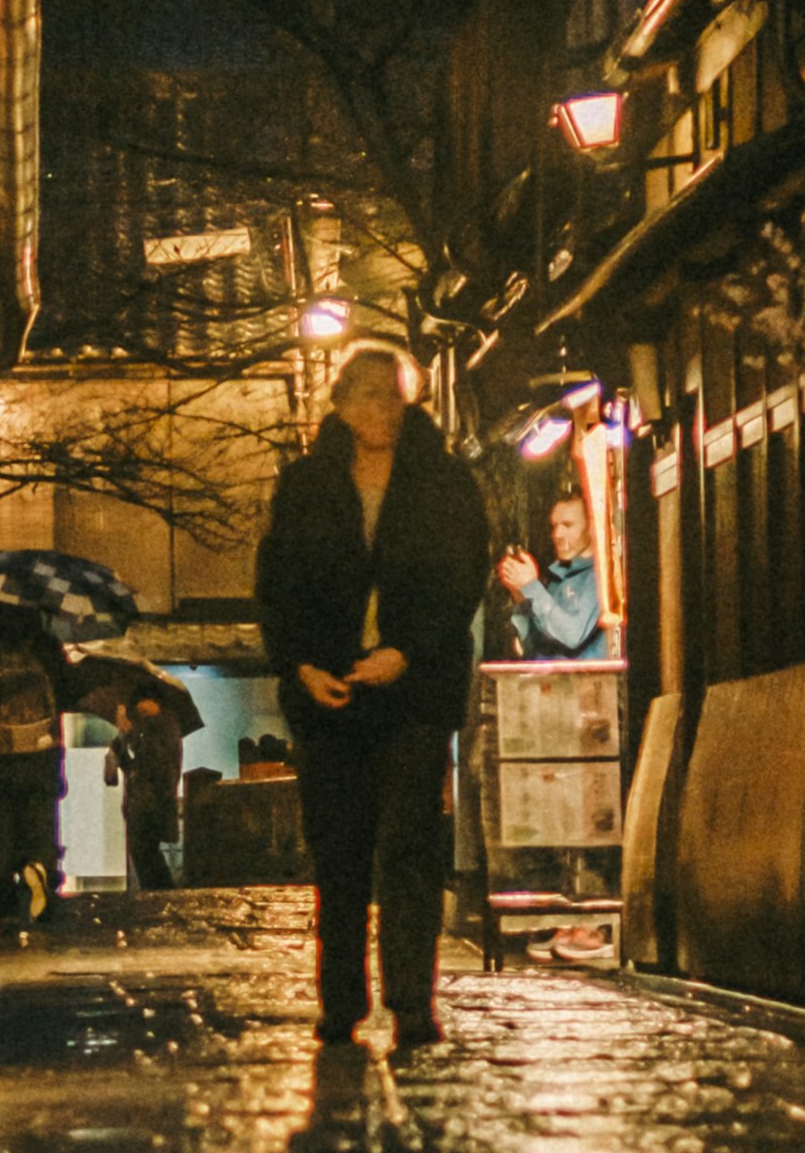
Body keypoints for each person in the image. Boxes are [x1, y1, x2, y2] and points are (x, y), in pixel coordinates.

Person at [253, 341, 490, 1050]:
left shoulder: (443, 482)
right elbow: (278, 582)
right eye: (364, 396)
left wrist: (407, 650)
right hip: (331, 693)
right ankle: (341, 1002)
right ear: (341, 405)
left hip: (414, 693)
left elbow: (461, 575)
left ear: (408, 398)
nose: (379, 410)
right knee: (340, 852)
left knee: (411, 849)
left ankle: (413, 1002)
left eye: (391, 395)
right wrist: (299, 663)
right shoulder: (306, 484)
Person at [0, 585, 75, 943]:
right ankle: (42, 887)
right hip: (41, 756)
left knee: (3, 828)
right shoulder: (46, 649)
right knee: (41, 826)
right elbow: (67, 693)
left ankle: (8, 902)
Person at [493, 477, 618, 660]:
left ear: (592, 527)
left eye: (568, 525)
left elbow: (571, 635)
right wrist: (521, 600)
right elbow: (531, 649)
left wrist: (531, 586)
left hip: (583, 685)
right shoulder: (556, 579)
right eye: (555, 526)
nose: (558, 534)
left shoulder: (600, 577)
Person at [113, 685, 187, 890]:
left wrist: (129, 735)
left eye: (144, 700)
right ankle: (158, 893)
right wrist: (121, 743)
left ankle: (162, 893)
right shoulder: (146, 727)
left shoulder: (166, 724)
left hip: (153, 803)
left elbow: (155, 760)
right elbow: (132, 767)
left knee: (146, 853)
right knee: (142, 854)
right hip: (140, 802)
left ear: (156, 701)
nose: (139, 707)